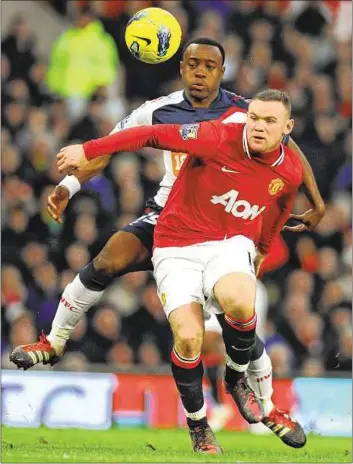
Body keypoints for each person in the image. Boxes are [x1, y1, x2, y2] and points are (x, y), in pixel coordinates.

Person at [10, 39, 320, 449]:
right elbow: (121, 143)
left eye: (209, 66)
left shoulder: (245, 111)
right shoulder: (159, 110)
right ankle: (53, 342)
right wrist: (69, 183)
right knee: (107, 260)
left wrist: (315, 203)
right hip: (168, 217)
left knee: (238, 318)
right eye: (193, 64)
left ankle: (261, 402)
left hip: (223, 229)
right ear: (181, 68)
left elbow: (288, 156)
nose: (200, 72)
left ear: (221, 71)